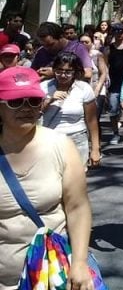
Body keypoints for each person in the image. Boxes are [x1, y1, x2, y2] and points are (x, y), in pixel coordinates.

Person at [0, 66, 95, 290]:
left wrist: (80, 263)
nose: (26, 108)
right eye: (15, 102)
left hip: (52, 275)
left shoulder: (61, 146)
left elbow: (78, 207)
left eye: (33, 101)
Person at [40, 52, 101, 169]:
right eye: (59, 71)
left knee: (76, 183)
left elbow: (92, 121)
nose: (63, 75)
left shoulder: (84, 88)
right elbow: (33, 114)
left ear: (75, 72)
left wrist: (95, 149)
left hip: (76, 140)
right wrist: (49, 100)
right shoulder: (43, 87)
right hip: (48, 141)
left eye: (68, 72)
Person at [80, 34, 108, 108]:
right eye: (81, 42)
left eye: (86, 42)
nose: (84, 44)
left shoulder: (97, 55)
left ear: (92, 43)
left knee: (95, 116)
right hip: (82, 91)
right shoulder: (74, 56)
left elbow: (103, 73)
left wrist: (97, 89)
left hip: (97, 89)